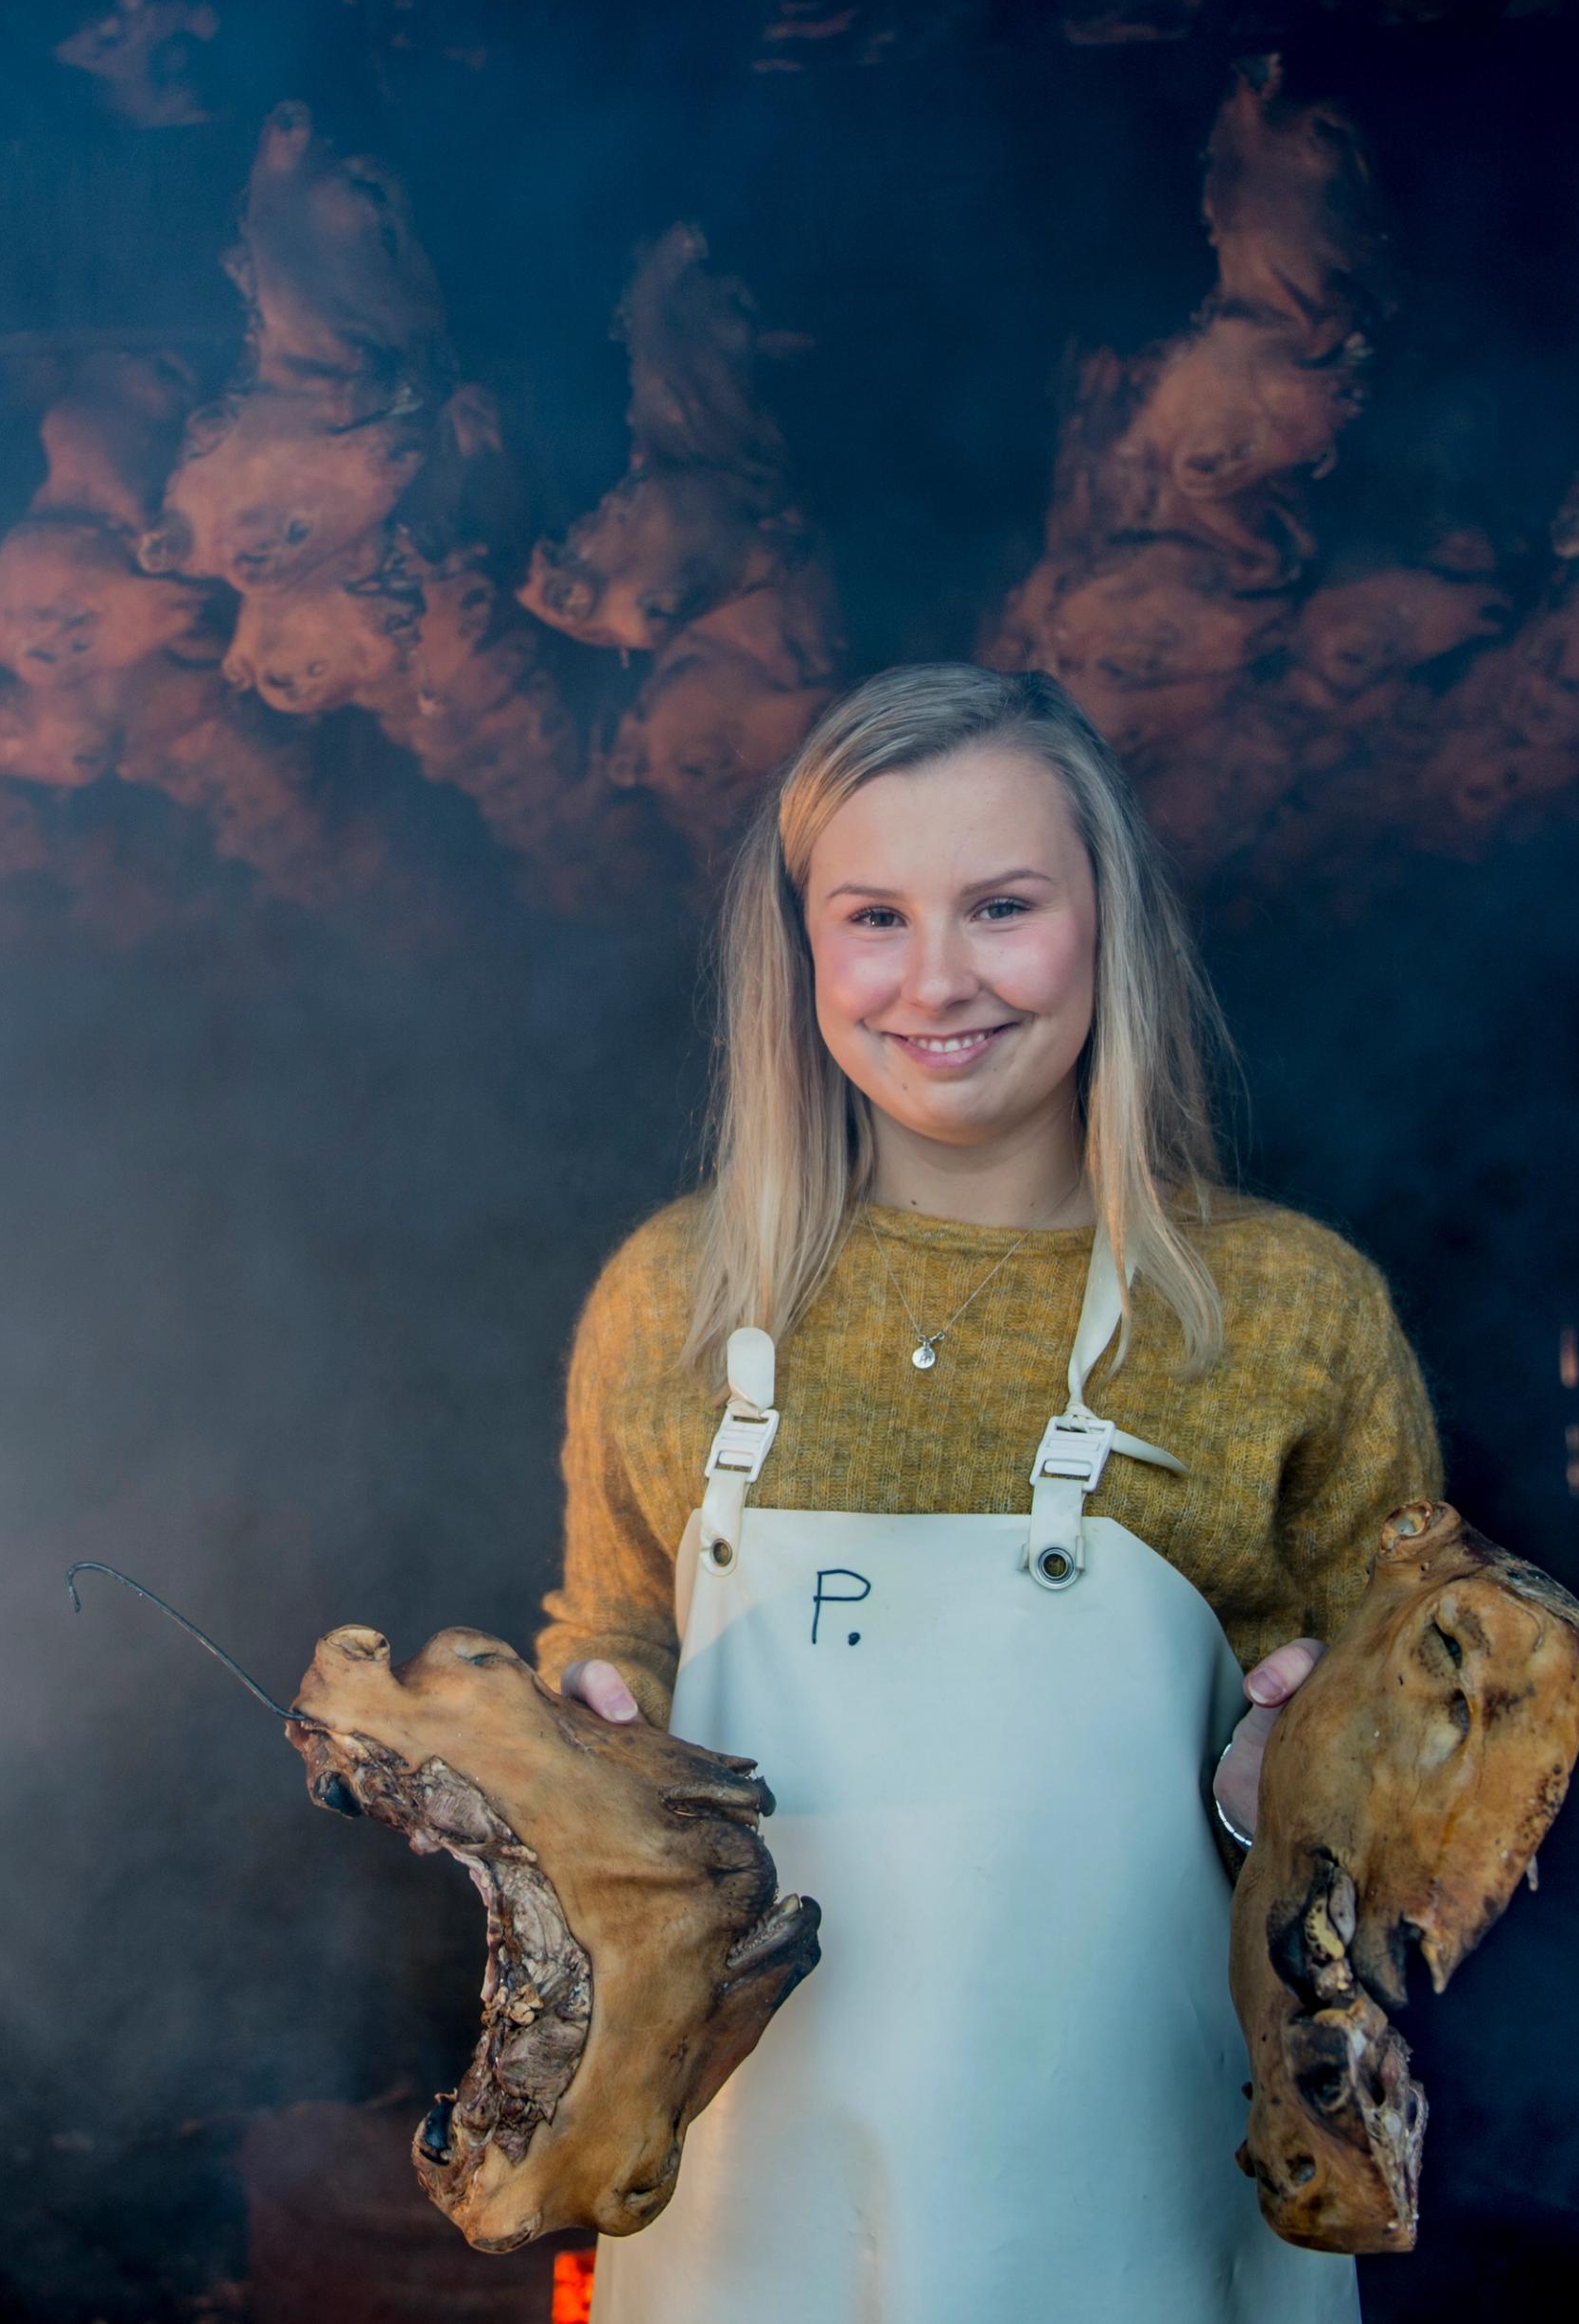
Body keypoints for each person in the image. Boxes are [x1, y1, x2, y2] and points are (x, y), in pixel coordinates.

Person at [537, 664, 1439, 2322]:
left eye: (1003, 906)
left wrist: (1297, 1793)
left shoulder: (1287, 1313)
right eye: (874, 917)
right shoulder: (674, 1298)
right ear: (801, 951)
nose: (936, 979)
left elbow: (1415, 1806)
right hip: (736, 2196)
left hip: (1147, 2201)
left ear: (1108, 928)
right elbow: (612, 1628)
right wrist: (590, 1733)